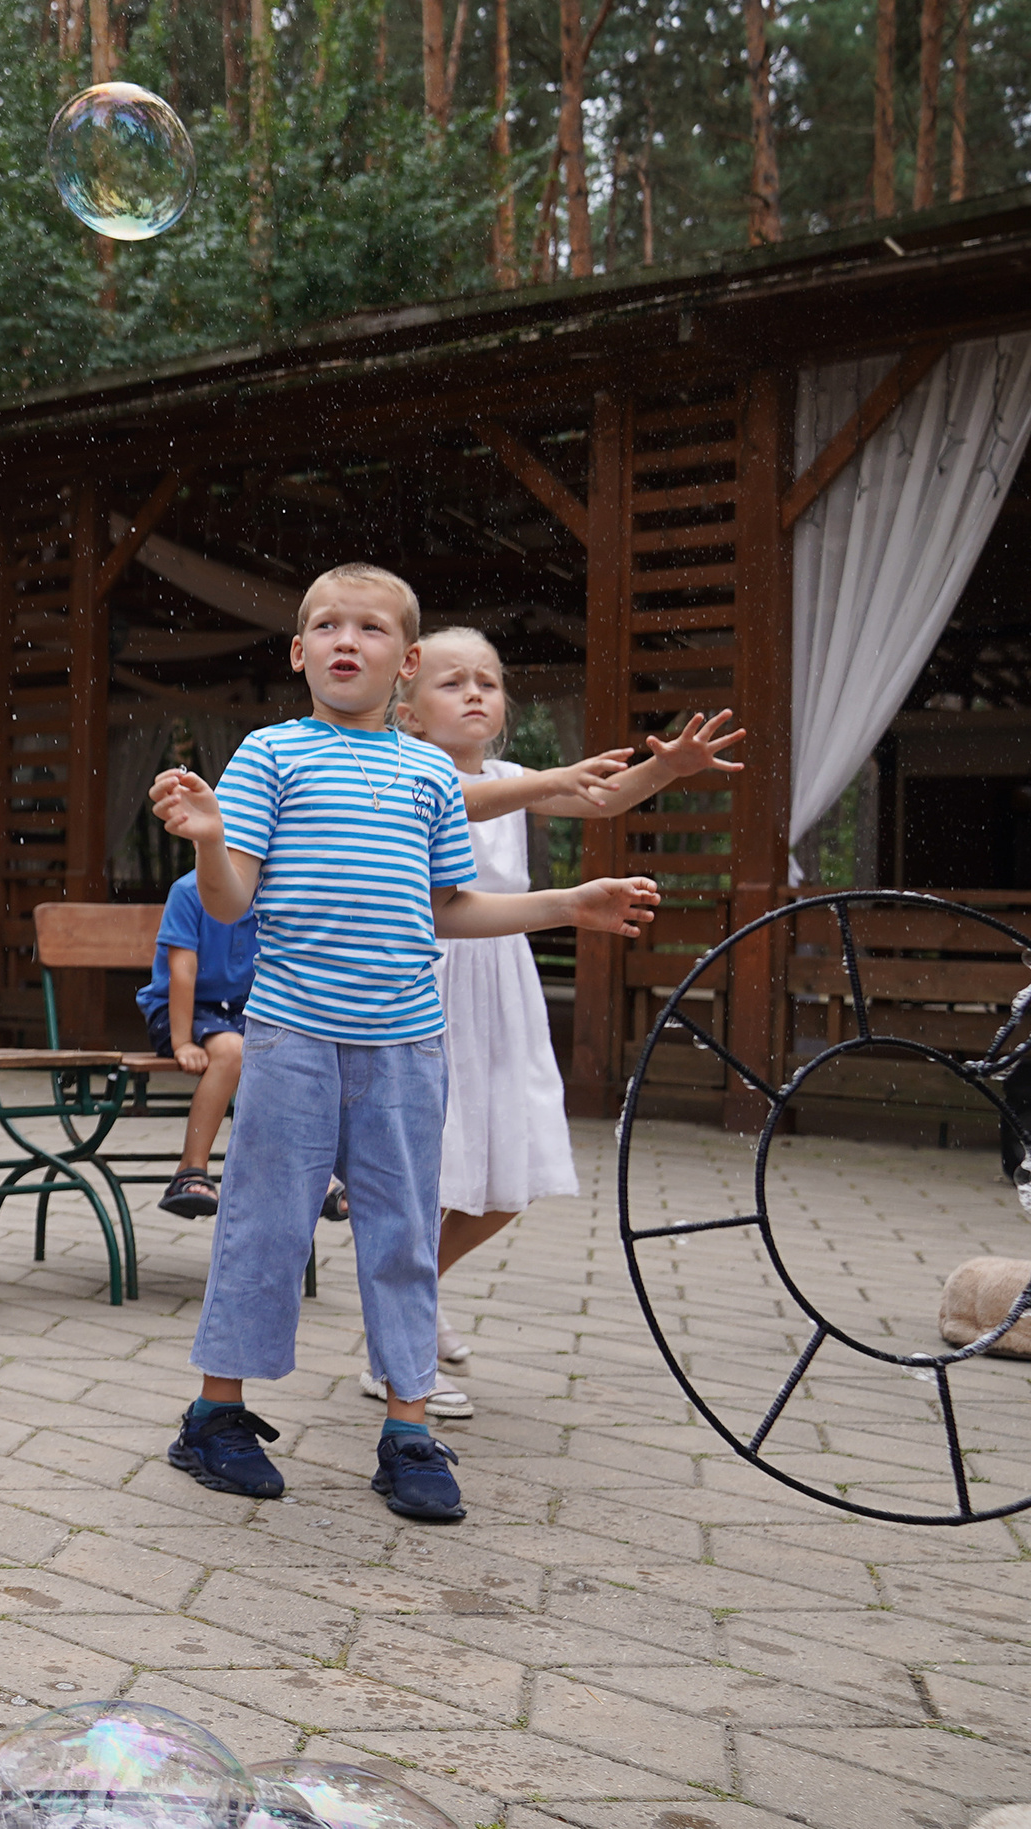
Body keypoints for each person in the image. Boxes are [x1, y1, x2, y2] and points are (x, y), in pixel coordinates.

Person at [148, 564, 658, 1523]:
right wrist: (211, 838)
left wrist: (569, 905)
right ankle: (215, 1419)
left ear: (406, 660)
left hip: (408, 1046)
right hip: (292, 1037)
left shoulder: (430, 771)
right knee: (263, 1223)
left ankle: (409, 1431)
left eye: (372, 627)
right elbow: (230, 901)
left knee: (402, 1236)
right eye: (328, 626)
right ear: (300, 653)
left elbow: (449, 908)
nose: (349, 639)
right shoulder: (269, 754)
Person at [384, 627, 744, 1419]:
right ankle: (399, 1346)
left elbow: (601, 795)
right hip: (428, 977)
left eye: (488, 680)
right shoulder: (405, 772)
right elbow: (473, 800)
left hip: (501, 983)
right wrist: (551, 780)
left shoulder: (514, 774)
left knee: (508, 1168)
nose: (475, 692)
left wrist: (666, 767)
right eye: (452, 682)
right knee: (430, 1169)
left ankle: (414, 1293)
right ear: (406, 710)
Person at [138, 868, 259, 1218]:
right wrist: (181, 1043)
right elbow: (183, 971)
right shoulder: (189, 891)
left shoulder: (273, 891)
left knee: (293, 1049)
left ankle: (315, 1170)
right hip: (177, 1009)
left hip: (240, 1009)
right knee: (231, 1051)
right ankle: (190, 1168)